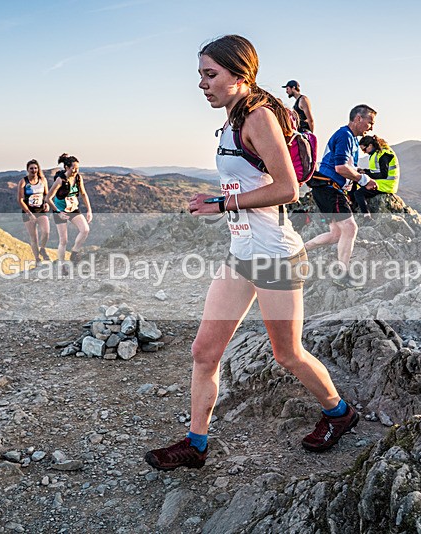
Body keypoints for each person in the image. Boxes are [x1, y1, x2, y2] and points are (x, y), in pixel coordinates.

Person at [144, 34, 358, 472]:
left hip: (276, 255)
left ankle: (339, 413)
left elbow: (288, 188)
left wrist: (222, 204)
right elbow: (248, 181)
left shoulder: (258, 118)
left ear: (240, 77)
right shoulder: (230, 120)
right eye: (200, 75)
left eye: (211, 75)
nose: (202, 84)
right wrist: (220, 199)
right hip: (241, 252)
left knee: (288, 354)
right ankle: (196, 444)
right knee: (204, 352)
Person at [303, 104, 377, 289]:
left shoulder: (349, 138)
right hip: (330, 188)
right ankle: (342, 275)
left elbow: (344, 165)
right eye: (370, 122)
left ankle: (299, 251)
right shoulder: (345, 135)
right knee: (350, 228)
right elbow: (340, 168)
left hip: (326, 188)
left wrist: (357, 172)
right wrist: (363, 179)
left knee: (336, 233)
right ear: (359, 118)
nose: (372, 127)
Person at [46, 153, 92, 267]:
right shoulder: (60, 181)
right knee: (63, 240)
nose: (76, 170)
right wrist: (58, 212)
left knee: (85, 229)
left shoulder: (78, 178)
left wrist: (89, 210)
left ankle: (74, 253)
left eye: (77, 168)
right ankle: (61, 266)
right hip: (60, 210)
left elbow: (83, 194)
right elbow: (48, 198)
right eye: (73, 168)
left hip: (72, 208)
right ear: (67, 167)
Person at [354, 135, 400, 216]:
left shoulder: (384, 154)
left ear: (370, 145)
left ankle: (366, 216)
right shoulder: (377, 154)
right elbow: (375, 171)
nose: (365, 152)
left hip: (386, 185)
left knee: (359, 193)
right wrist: (364, 171)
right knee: (355, 181)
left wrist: (366, 175)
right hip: (381, 182)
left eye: (364, 149)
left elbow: (383, 174)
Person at [17, 159, 51, 263]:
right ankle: (37, 259)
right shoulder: (23, 181)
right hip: (28, 211)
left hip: (40, 210)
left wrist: (47, 203)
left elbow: (46, 194)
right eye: (31, 168)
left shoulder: (42, 180)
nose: (34, 170)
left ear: (38, 169)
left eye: (35, 168)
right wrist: (29, 213)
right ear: (27, 169)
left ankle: (42, 249)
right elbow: (20, 200)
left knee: (46, 231)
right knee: (34, 237)